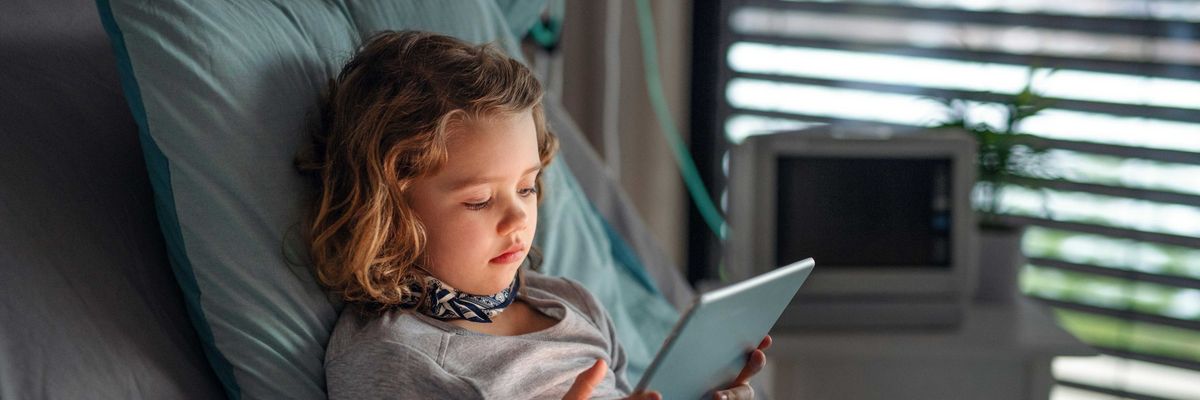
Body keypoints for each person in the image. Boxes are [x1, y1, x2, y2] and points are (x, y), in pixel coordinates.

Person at [295, 30, 769, 400]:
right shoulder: (393, 357)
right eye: (479, 201)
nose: (517, 218)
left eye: (526, 187)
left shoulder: (571, 304)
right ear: (389, 211)